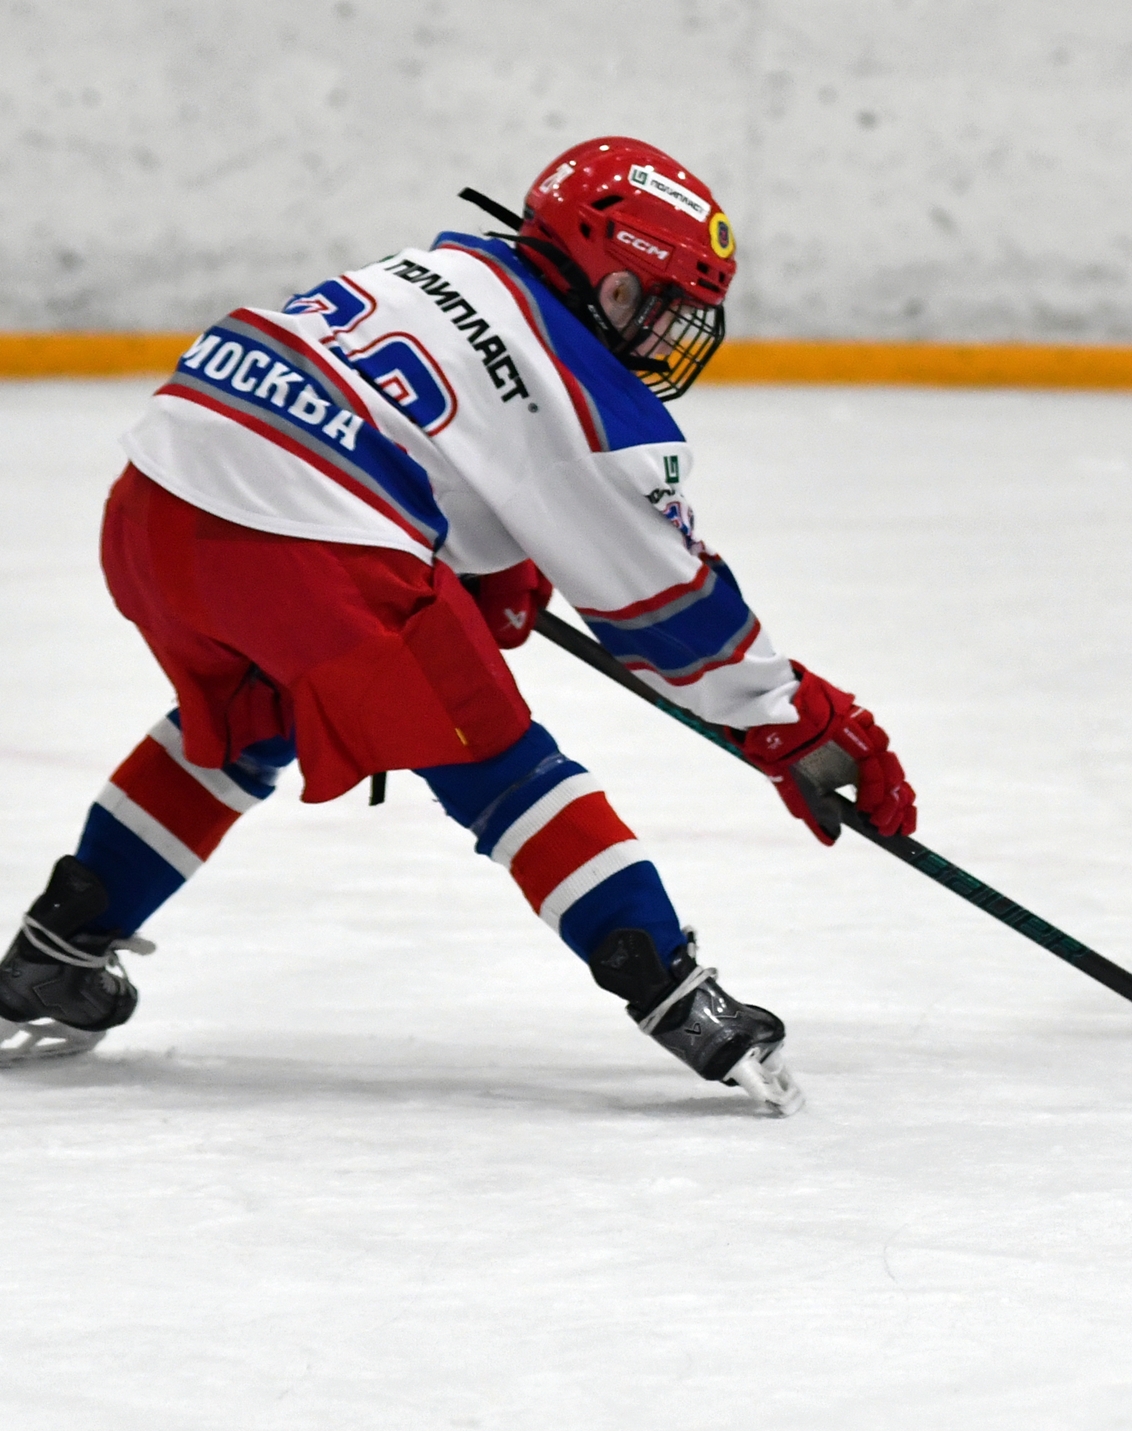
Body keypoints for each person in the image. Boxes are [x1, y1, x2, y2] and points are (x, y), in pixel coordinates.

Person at [0, 137, 919, 1112]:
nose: (658, 338)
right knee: (497, 760)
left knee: (247, 714)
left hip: (155, 503)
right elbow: (669, 612)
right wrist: (795, 717)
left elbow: (425, 430)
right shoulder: (584, 394)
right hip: (307, 540)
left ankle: (58, 951)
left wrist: (484, 560)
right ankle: (676, 994)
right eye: (643, 304)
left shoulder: (446, 268)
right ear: (590, 271)